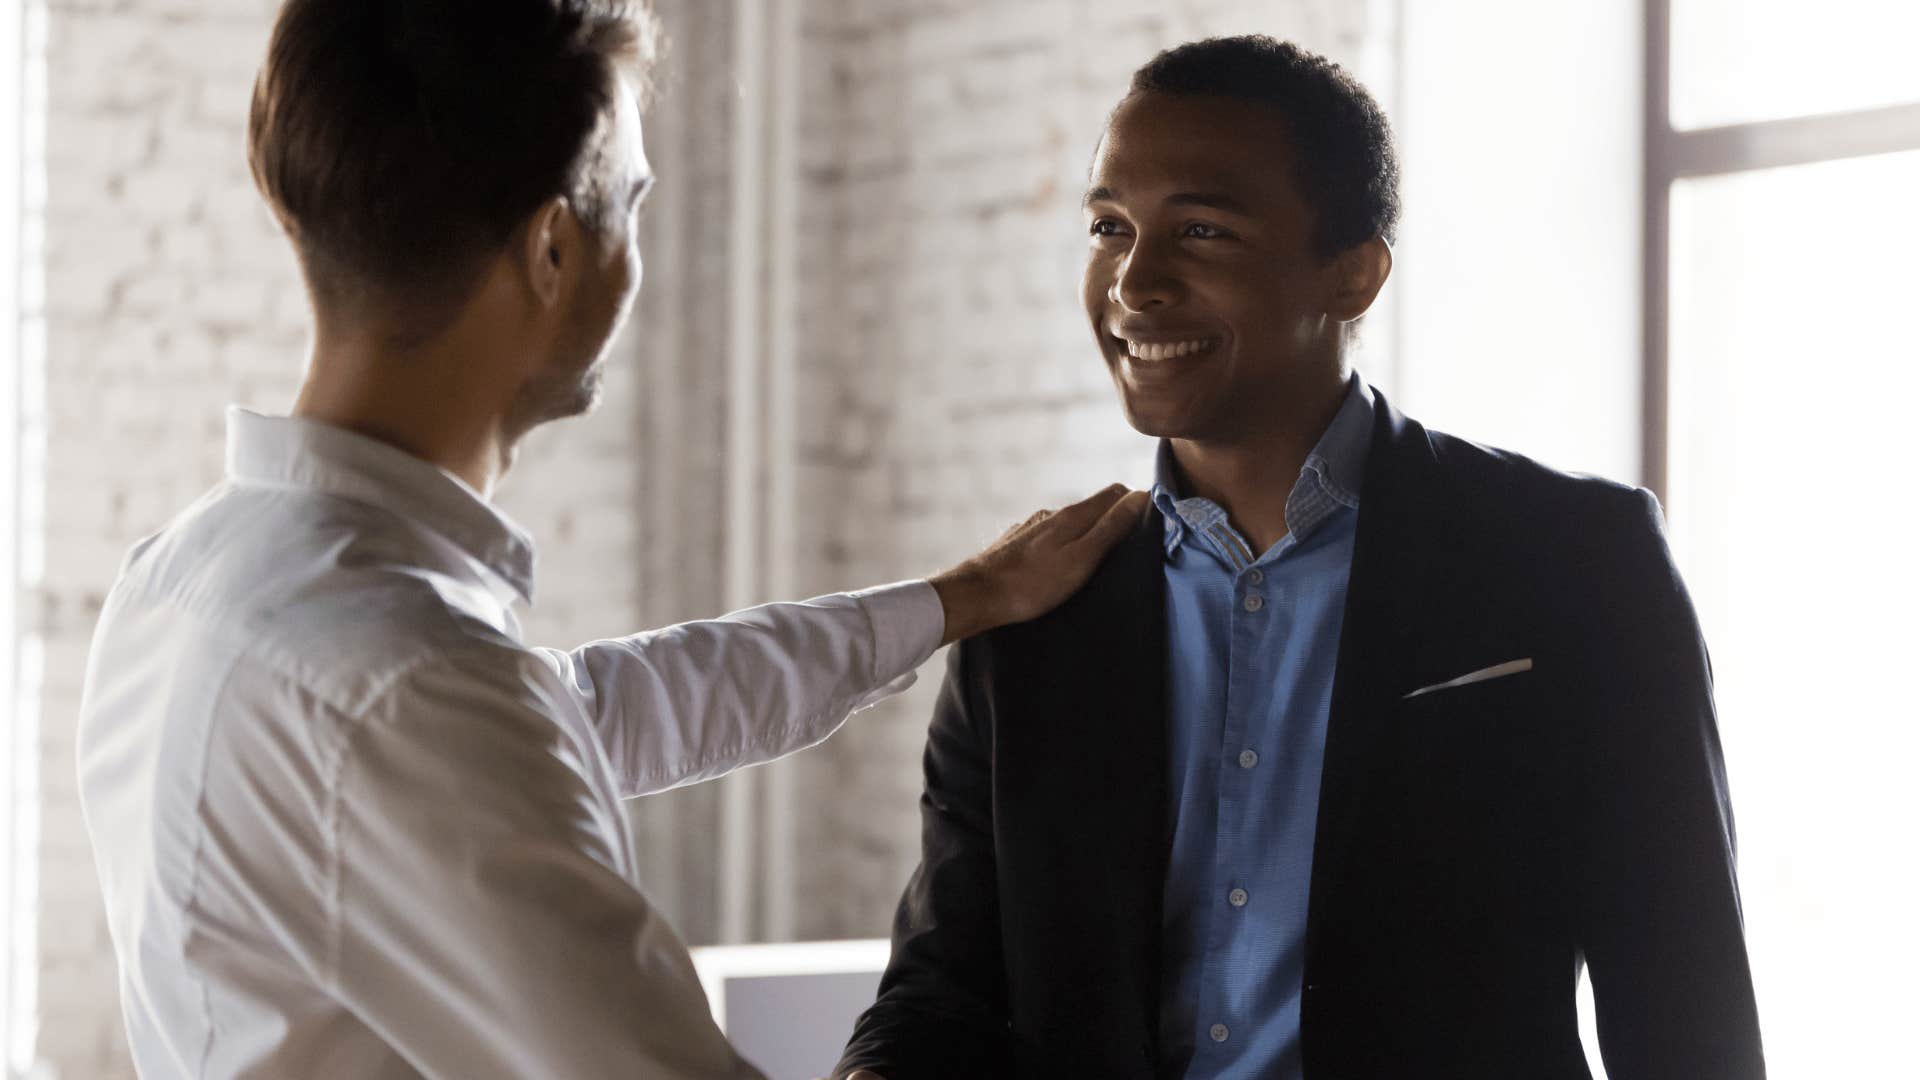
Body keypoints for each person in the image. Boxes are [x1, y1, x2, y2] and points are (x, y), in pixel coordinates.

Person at [73, 3, 1147, 1077]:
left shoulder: (184, 575)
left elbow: (589, 711)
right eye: (630, 205)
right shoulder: (410, 683)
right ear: (553, 248)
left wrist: (953, 601)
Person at [837, 35, 1765, 1080]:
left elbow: (1688, 1012)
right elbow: (940, 993)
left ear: (1354, 271)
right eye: (1109, 227)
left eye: (1202, 230)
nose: (1134, 281)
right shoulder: (1037, 605)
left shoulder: (1576, 563)